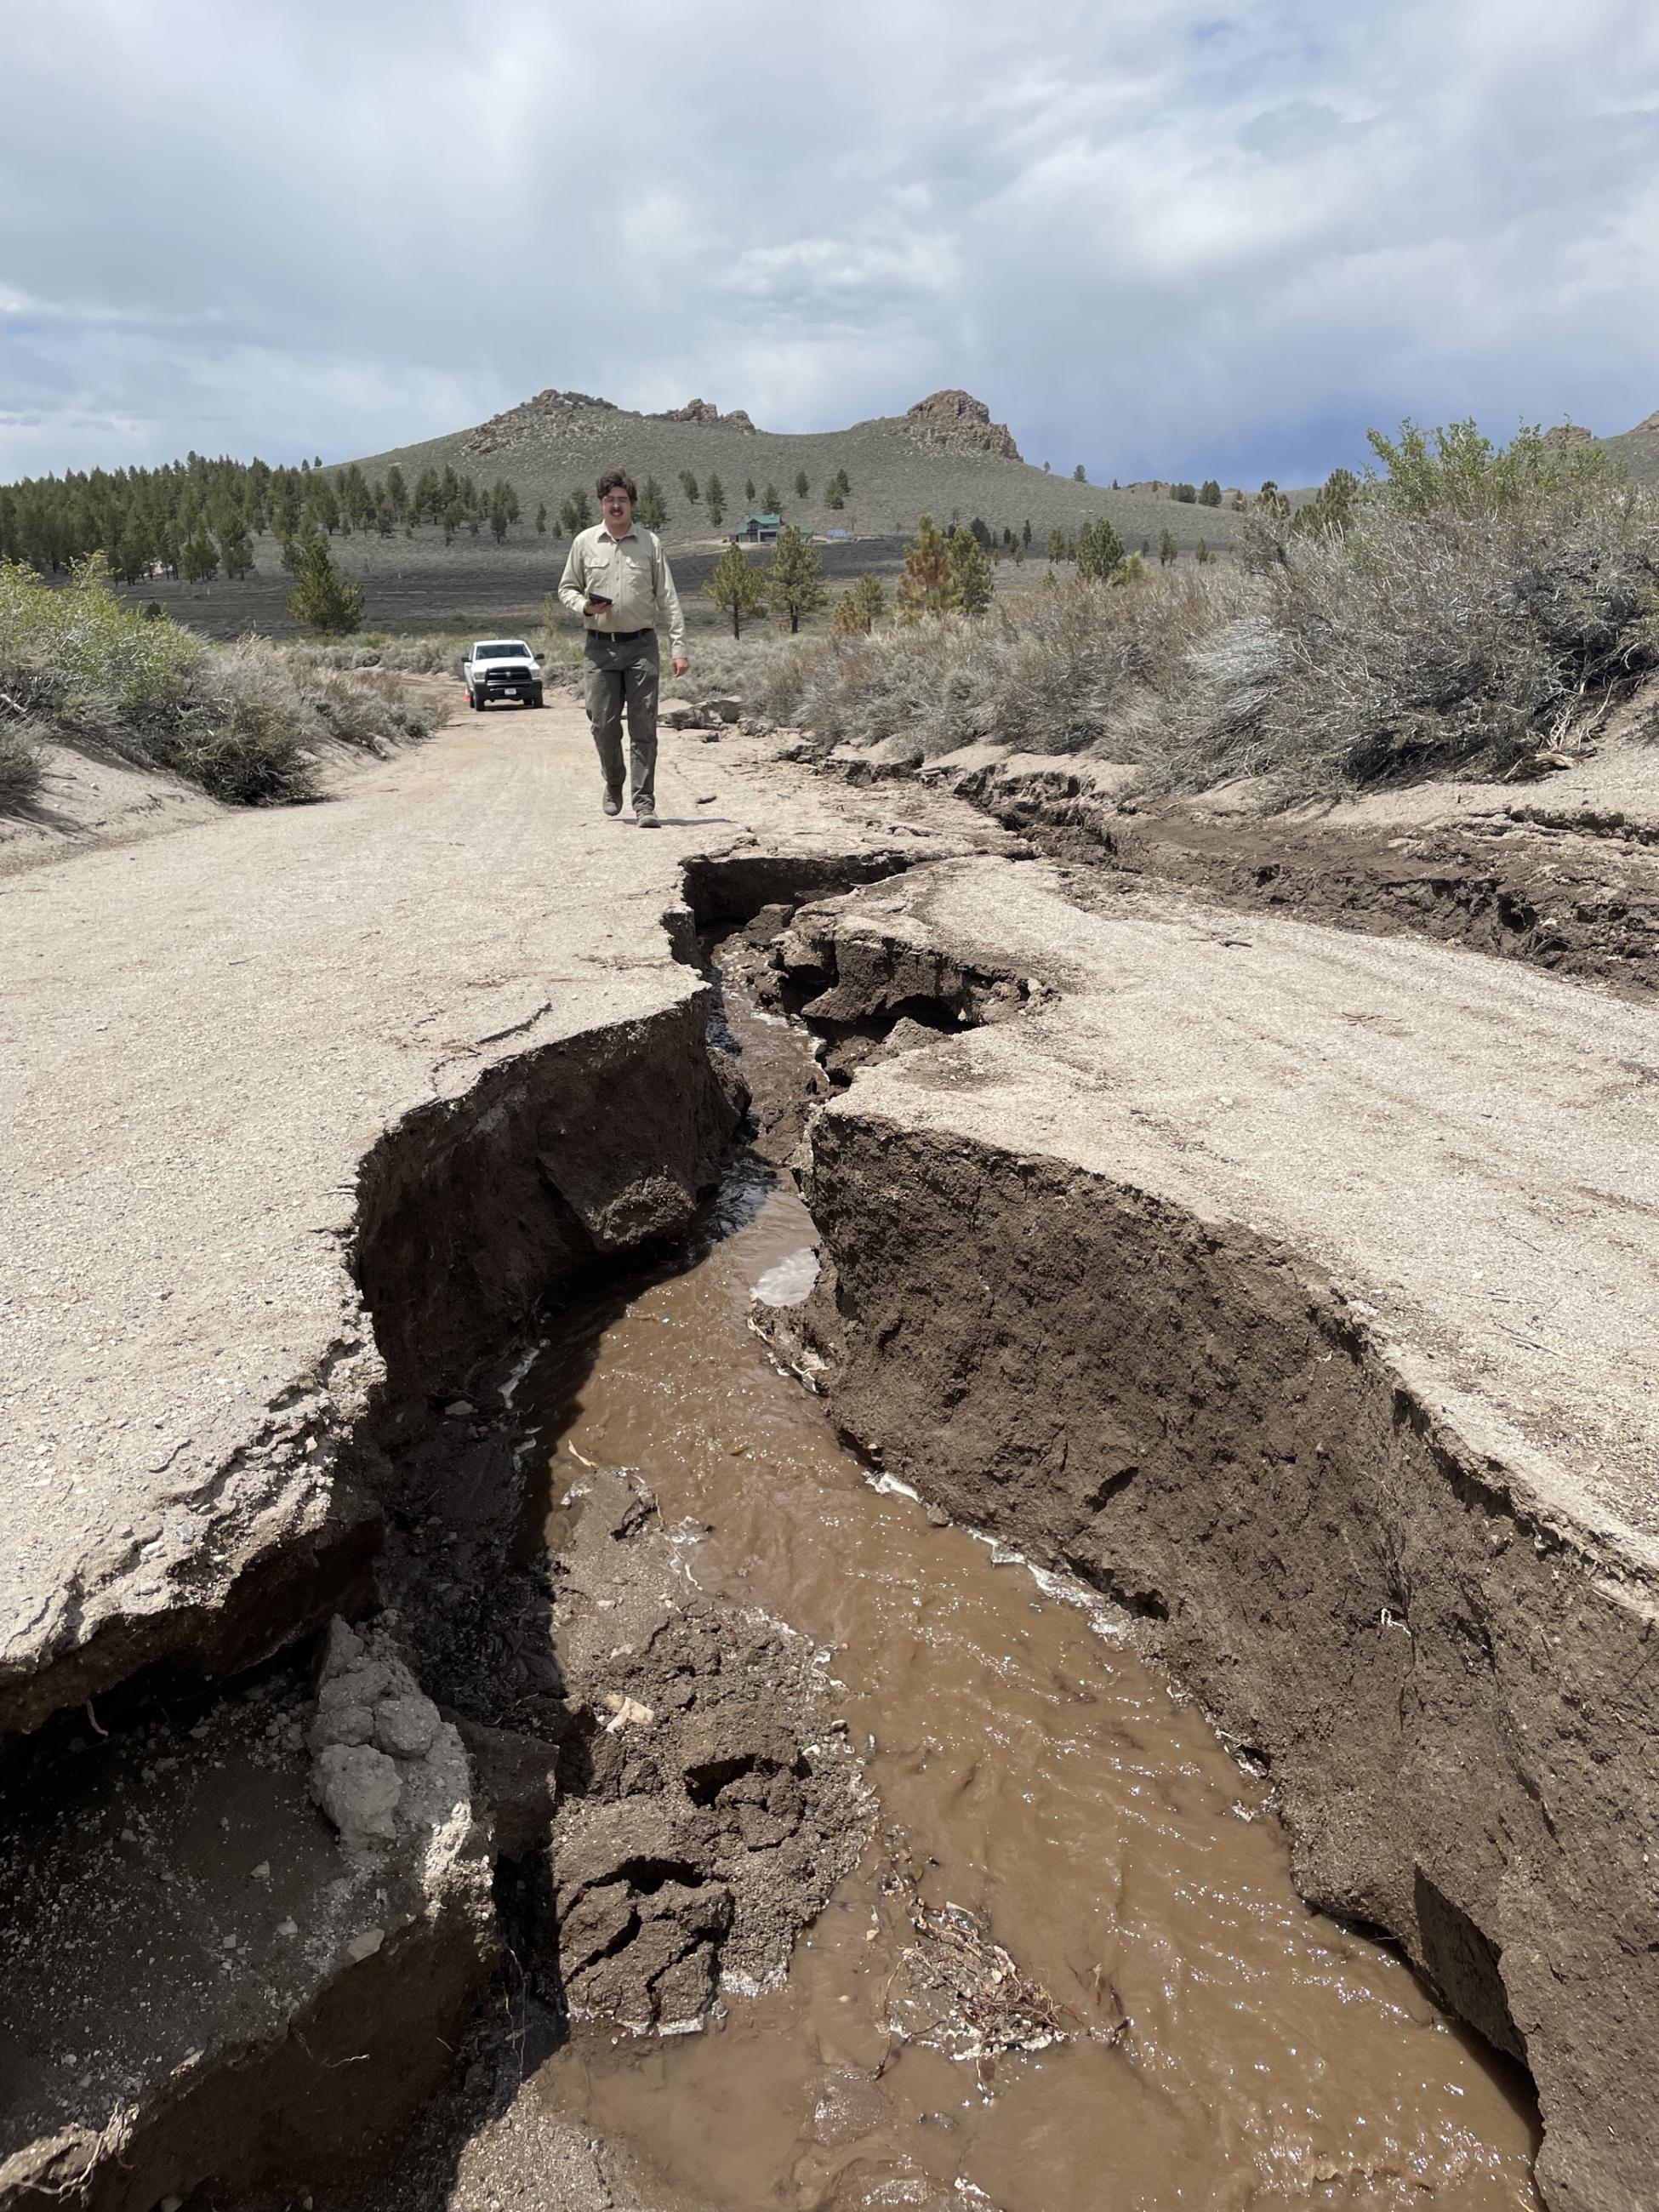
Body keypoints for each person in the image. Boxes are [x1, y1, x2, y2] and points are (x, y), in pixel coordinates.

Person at [558, 469, 688, 828]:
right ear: (602, 503)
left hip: (642, 646)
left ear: (632, 505)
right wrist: (584, 606)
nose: (616, 506)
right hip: (599, 649)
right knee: (603, 724)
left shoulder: (650, 543)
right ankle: (613, 783)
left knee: (644, 727)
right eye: (610, 499)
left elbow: (668, 598)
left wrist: (679, 646)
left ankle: (644, 803)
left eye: (622, 500)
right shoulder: (585, 542)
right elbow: (566, 588)